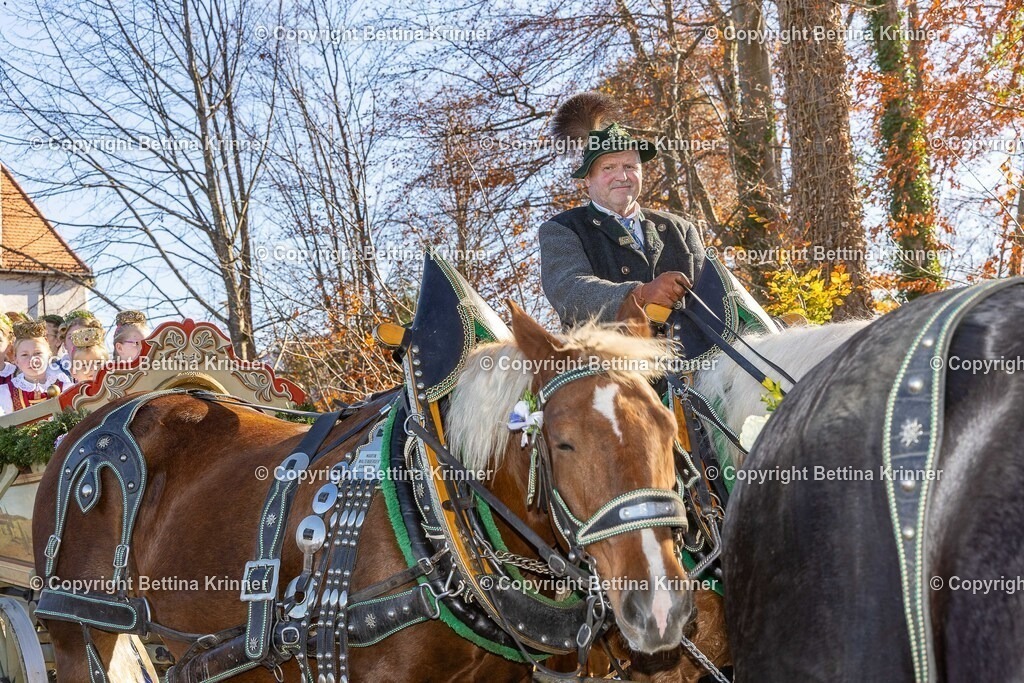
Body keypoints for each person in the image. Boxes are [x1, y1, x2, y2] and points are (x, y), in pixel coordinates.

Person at [539, 92, 705, 328]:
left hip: (689, 357)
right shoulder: (562, 230)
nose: (622, 176)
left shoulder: (680, 228)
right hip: (602, 358)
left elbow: (713, 293)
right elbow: (570, 292)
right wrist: (640, 294)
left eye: (630, 166)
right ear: (588, 179)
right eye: (609, 167)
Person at [0, 321, 72, 414]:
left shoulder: (65, 387)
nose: (32, 359)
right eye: (25, 355)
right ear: (16, 360)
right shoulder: (6, 393)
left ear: (48, 354)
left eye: (38, 353)